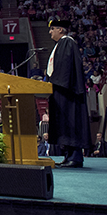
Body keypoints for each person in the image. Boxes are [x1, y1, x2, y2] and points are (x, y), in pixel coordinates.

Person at [44, 19, 91, 168]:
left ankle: (75, 157)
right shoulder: (61, 44)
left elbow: (65, 70)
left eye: (52, 29)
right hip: (62, 91)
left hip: (67, 92)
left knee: (71, 123)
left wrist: (53, 83)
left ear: (61, 30)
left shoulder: (67, 43)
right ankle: (68, 155)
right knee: (64, 124)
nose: (50, 32)